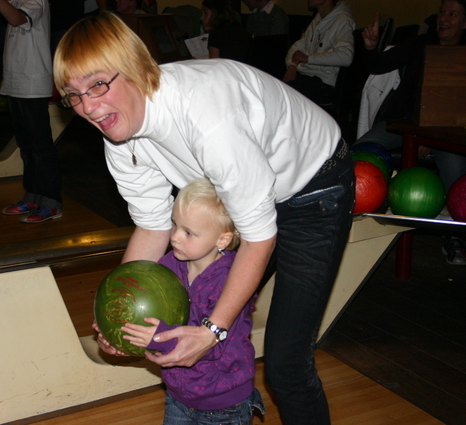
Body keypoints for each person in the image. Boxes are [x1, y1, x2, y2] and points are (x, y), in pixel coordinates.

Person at [54, 12, 355, 425]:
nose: (88, 106)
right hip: (241, 197)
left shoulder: (207, 118)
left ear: (137, 68)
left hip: (312, 188)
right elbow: (153, 225)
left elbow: (259, 236)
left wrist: (213, 331)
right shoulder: (119, 137)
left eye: (98, 84)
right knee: (203, 311)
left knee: (285, 365)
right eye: (73, 94)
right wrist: (117, 313)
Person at [122, 178, 265, 424]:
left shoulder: (231, 281)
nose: (175, 237)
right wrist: (118, 323)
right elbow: (147, 302)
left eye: (189, 232)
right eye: (174, 225)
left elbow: (215, 345)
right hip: (178, 394)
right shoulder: (169, 265)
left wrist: (161, 338)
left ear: (222, 240)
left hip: (223, 404)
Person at [355, 0, 466, 265]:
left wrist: (429, 137)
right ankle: (355, 220)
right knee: (361, 150)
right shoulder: (420, 43)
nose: (444, 19)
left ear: (464, 22)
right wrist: (369, 47)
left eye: (452, 14)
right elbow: (379, 64)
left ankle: (454, 238)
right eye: (442, 12)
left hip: (446, 133)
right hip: (403, 125)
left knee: (456, 171)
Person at [0, 0, 63, 223]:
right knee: (27, 147)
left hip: (33, 83)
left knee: (41, 148)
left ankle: (51, 202)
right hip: (15, 82)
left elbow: (17, 19)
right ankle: (32, 196)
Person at [283, 0, 355, 105]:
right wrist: (292, 66)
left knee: (282, 95)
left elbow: (346, 56)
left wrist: (308, 58)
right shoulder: (318, 19)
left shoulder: (343, 20)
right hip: (307, 77)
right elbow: (298, 46)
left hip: (324, 84)